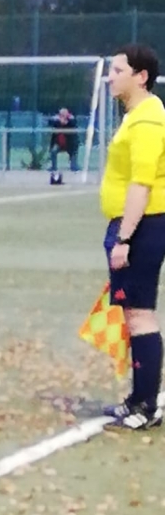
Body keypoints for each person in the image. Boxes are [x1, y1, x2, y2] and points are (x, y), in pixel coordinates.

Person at [100, 43, 165, 431]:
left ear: (141, 77)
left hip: (143, 226)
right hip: (133, 225)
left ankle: (146, 405)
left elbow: (141, 183)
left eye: (118, 70)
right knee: (132, 312)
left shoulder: (148, 120)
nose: (110, 77)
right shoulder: (135, 116)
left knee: (140, 314)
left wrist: (124, 238)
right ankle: (138, 398)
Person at [48, 107, 79, 179]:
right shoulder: (57, 119)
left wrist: (66, 122)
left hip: (69, 143)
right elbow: (51, 122)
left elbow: (73, 123)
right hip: (58, 143)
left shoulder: (71, 119)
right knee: (53, 151)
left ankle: (74, 167)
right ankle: (53, 167)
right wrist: (60, 121)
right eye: (61, 114)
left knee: (73, 152)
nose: (63, 115)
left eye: (64, 114)